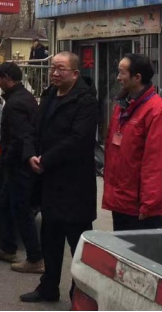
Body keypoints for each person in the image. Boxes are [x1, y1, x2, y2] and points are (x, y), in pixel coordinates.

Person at [20, 52, 99, 304]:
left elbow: (78, 140)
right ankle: (48, 287)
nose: (54, 73)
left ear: (75, 74)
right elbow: (32, 130)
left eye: (61, 69)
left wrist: (45, 159)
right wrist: (30, 154)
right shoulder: (49, 95)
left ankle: (81, 296)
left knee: (79, 245)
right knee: (50, 240)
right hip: (48, 182)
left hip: (75, 185)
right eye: (53, 68)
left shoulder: (86, 102)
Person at [103, 53, 162, 232]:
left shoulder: (157, 112)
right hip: (121, 202)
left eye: (122, 73)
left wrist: (150, 204)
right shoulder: (122, 106)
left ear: (137, 77)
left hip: (140, 209)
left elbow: (158, 163)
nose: (118, 77)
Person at [0, 62, 43, 273]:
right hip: (18, 164)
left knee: (21, 210)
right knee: (4, 204)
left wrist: (6, 158)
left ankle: (35, 258)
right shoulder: (24, 97)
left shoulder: (16, 103)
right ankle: (7, 247)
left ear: (6, 78)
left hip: (18, 166)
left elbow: (20, 138)